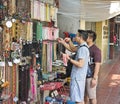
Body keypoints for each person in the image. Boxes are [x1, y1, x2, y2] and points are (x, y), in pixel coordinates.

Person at [58, 29, 89, 104]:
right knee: (79, 98)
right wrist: (64, 42)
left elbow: (80, 64)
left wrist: (70, 59)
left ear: (80, 37)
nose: (75, 37)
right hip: (78, 77)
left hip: (78, 77)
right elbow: (72, 49)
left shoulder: (83, 49)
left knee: (78, 100)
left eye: (76, 36)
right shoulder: (82, 46)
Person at [84, 30, 101, 104]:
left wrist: (94, 78)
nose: (83, 37)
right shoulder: (84, 47)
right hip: (83, 75)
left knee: (92, 97)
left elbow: (97, 65)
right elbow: (73, 49)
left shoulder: (96, 50)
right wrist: (64, 43)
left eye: (86, 36)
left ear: (91, 38)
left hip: (90, 77)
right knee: (85, 96)